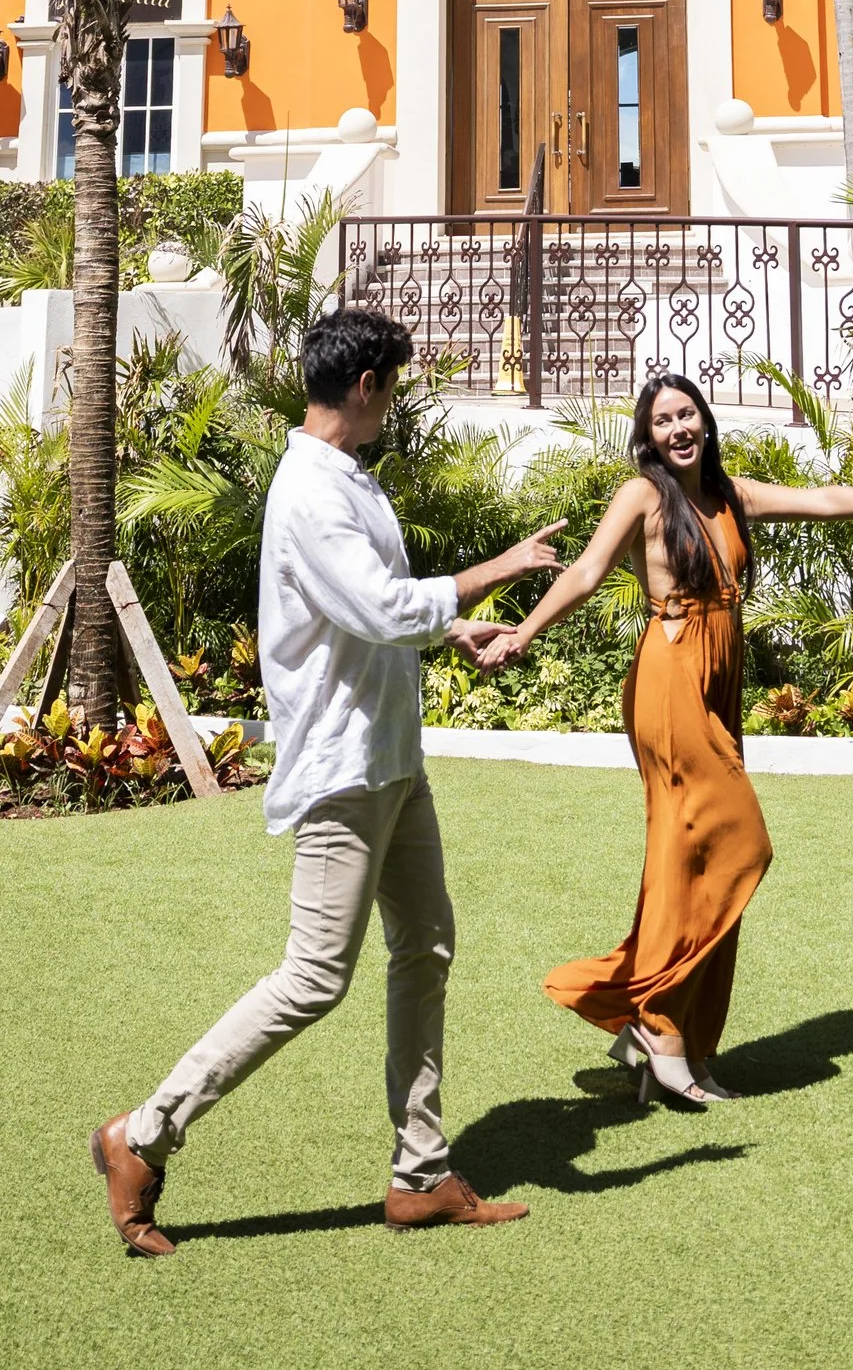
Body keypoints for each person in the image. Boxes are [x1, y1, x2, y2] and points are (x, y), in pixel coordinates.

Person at [91, 302, 559, 1256]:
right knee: (314, 977)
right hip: (345, 767)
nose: (397, 403)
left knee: (426, 948)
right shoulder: (309, 490)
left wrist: (449, 627)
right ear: (365, 386)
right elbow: (381, 604)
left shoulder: (348, 478)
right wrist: (494, 573)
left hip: (393, 759)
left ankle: (420, 1174)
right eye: (395, 385)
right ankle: (141, 1132)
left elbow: (372, 613)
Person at [478, 373, 853, 1105]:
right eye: (662, 421)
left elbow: (826, 502)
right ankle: (654, 1022)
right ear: (647, 437)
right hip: (670, 675)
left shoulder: (730, 493)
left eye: (686, 415)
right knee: (740, 846)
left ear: (704, 422)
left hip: (718, 676)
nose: (677, 429)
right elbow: (587, 570)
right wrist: (523, 631)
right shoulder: (642, 496)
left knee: (693, 860)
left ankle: (680, 1040)